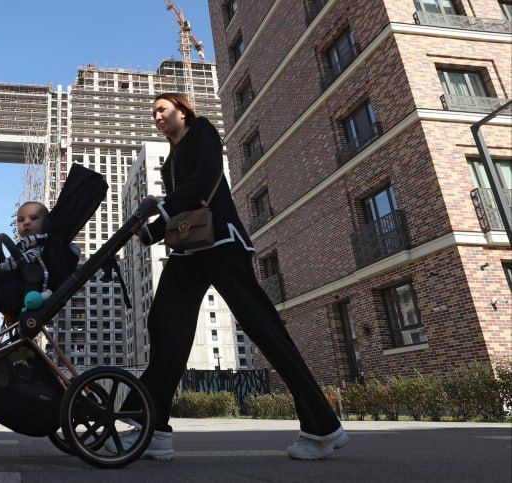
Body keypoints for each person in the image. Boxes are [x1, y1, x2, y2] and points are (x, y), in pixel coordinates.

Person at [116, 93, 347, 461]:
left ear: (182, 111)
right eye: (153, 113)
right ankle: (152, 429)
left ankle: (322, 427)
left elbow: (207, 178)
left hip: (222, 243)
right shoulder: (169, 163)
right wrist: (149, 233)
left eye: (162, 109)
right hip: (190, 251)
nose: (156, 116)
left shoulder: (202, 131)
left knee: (263, 327)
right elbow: (183, 213)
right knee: (164, 326)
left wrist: (161, 205)